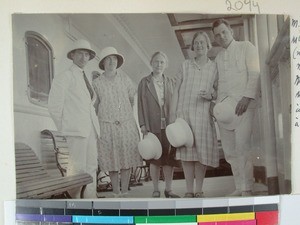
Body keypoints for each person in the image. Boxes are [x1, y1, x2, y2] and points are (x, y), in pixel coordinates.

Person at [212, 18, 260, 196]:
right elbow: (220, 85)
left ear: (231, 30)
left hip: (244, 106)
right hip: (225, 110)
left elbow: (254, 73)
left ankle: (247, 187)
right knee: (230, 151)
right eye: (217, 35)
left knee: (242, 147)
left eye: (224, 32)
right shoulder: (218, 57)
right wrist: (217, 108)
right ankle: (239, 186)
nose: (221, 36)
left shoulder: (246, 47)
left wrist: (246, 98)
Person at [48, 39, 100, 199]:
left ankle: (91, 200)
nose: (83, 58)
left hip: (90, 129)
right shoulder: (65, 77)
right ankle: (75, 203)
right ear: (72, 55)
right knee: (77, 169)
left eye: (86, 54)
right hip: (75, 131)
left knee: (91, 166)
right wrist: (67, 127)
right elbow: (54, 106)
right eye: (80, 53)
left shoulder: (85, 78)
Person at [169, 31, 219, 198]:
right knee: (187, 154)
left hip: (203, 116)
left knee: (201, 154)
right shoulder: (185, 65)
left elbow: (220, 91)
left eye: (202, 43)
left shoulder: (214, 67)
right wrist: (173, 114)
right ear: (192, 46)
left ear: (207, 46)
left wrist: (211, 96)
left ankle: (199, 190)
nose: (199, 46)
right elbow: (175, 90)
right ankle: (189, 190)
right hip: (184, 116)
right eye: (196, 43)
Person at [93, 47, 142, 197]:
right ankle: (115, 192)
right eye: (108, 59)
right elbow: (96, 105)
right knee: (112, 159)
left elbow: (131, 100)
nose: (111, 62)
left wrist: (123, 116)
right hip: (107, 125)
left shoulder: (124, 78)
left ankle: (125, 191)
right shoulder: (97, 83)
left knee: (126, 158)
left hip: (125, 125)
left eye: (114, 59)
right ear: (103, 63)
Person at [137, 51, 181, 198]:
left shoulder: (171, 82)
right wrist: (143, 124)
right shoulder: (144, 82)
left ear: (166, 65)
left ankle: (169, 189)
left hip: (169, 127)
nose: (159, 64)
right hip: (152, 126)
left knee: (169, 159)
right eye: (156, 61)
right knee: (154, 159)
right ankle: (155, 189)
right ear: (151, 63)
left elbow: (176, 103)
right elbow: (140, 105)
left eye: (162, 62)